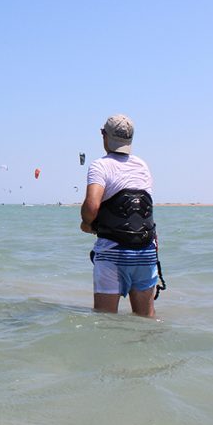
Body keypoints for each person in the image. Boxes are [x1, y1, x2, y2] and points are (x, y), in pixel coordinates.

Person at [79, 114, 164, 317]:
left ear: (103, 135)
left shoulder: (100, 166)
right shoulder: (142, 166)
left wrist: (87, 224)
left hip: (113, 252)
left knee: (106, 321)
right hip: (146, 251)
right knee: (146, 320)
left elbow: (91, 207)